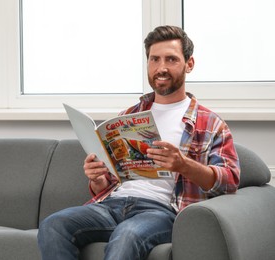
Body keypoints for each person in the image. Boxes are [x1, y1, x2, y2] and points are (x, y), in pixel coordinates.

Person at [38, 25, 240, 260]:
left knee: (128, 235)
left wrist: (183, 165)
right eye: (154, 59)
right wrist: (98, 179)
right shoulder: (129, 115)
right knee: (53, 225)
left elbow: (230, 182)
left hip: (161, 211)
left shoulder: (210, 123)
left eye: (171, 59)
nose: (161, 68)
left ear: (189, 64)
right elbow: (112, 181)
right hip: (113, 204)